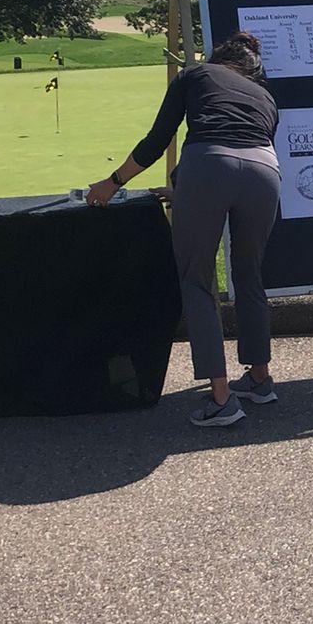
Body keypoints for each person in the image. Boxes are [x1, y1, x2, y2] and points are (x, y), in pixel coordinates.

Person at [87, 31, 280, 428]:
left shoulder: (195, 75)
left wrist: (113, 181)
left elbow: (160, 141)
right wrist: (181, 184)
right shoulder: (265, 97)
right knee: (249, 274)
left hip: (207, 167)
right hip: (266, 173)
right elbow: (241, 153)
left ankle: (222, 399)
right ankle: (260, 380)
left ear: (217, 58)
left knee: (196, 280)